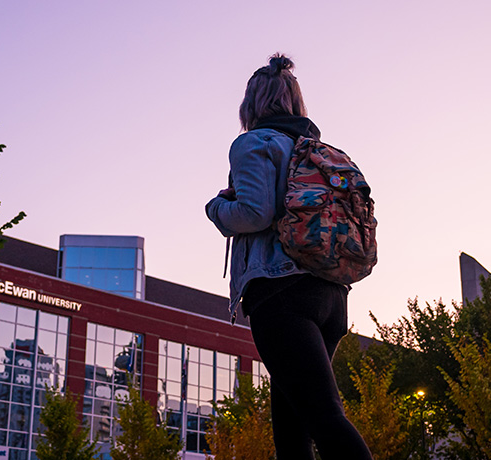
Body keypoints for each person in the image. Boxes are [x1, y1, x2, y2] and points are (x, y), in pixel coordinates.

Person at [204, 54, 374, 460]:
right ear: (297, 103)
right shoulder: (318, 151)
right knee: (291, 430)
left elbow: (255, 212)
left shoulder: (255, 142)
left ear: (250, 105)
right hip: (331, 296)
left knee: (324, 419)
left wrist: (215, 207)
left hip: (281, 293)